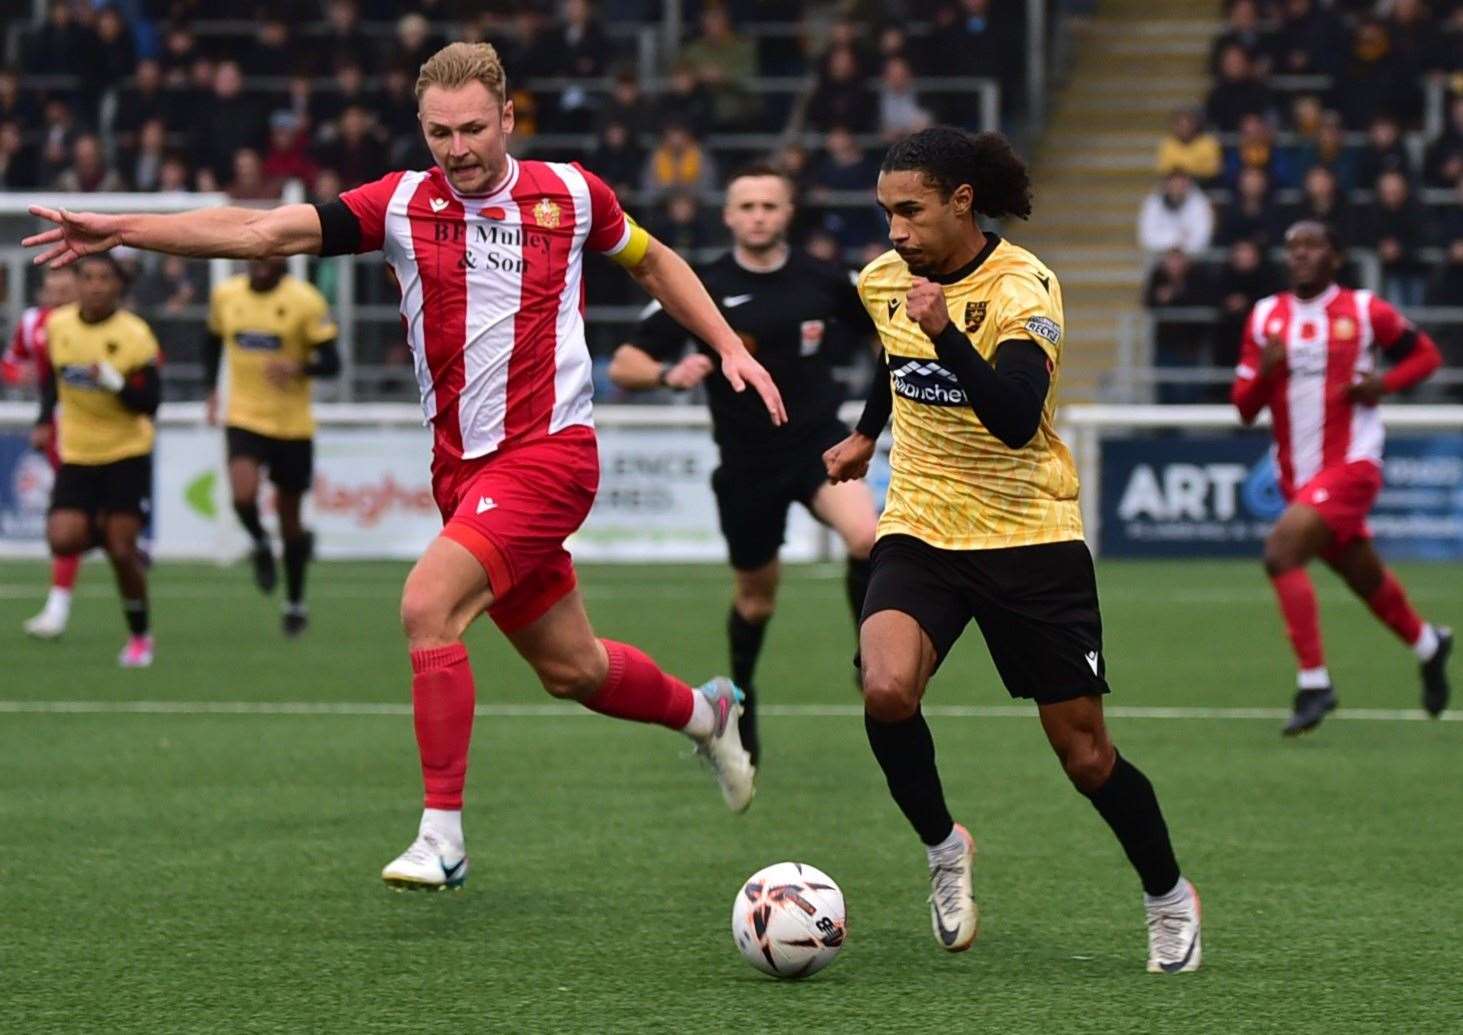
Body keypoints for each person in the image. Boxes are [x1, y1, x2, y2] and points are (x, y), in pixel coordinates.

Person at [23, 41, 786, 889]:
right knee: (572, 668)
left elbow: (652, 260)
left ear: (507, 117)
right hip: (462, 471)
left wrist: (725, 347)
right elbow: (257, 229)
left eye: (471, 129)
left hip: (549, 456)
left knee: (427, 605)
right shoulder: (398, 204)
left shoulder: (571, 192)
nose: (456, 149)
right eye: (437, 133)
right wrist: (120, 230)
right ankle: (705, 711)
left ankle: (442, 835)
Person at [822, 126, 1200, 973]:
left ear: (961, 201)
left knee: (1084, 755)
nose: (894, 232)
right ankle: (943, 846)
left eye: (910, 212)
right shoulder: (886, 280)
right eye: (885, 213)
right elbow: (896, 359)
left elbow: (1014, 417)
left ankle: (1167, 893)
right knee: (884, 687)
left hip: (1029, 536)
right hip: (920, 524)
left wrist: (949, 330)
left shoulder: (1024, 285)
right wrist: (862, 435)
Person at [609, 164, 879, 766]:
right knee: (757, 599)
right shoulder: (699, 285)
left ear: (787, 214)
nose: (758, 215)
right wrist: (667, 374)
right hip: (748, 462)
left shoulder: (824, 281)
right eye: (747, 205)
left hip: (818, 443)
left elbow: (883, 336)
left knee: (869, 538)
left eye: (769, 205)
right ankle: (743, 696)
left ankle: (872, 659)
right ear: (728, 216)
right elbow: (625, 361)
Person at [1230, 221, 1452, 735]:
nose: (1301, 256)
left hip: (1353, 463)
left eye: (1313, 247)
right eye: (1293, 248)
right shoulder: (1266, 317)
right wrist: (1265, 371)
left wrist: (1383, 384)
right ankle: (1429, 644)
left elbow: (1427, 356)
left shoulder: (1364, 309)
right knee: (1362, 574)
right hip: (1297, 477)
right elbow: (1243, 409)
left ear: (1335, 256)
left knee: (1280, 553)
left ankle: (1314, 684)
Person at [33, 255, 160, 667]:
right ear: (77, 283)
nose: (95, 286)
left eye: (104, 278)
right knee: (62, 538)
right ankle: (112, 536)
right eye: (87, 278)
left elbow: (150, 402)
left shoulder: (135, 335)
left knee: (122, 553)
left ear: (117, 286)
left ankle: (140, 636)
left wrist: (116, 382)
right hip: (78, 453)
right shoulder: (58, 326)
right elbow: (50, 381)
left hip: (126, 452)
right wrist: (42, 421)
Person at [204, 257, 340, 636]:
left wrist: (298, 368)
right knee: (242, 496)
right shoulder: (226, 296)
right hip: (244, 417)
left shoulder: (306, 301)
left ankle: (295, 602)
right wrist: (211, 391)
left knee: (290, 520)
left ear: (283, 259)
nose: (261, 262)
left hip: (292, 425)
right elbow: (212, 341)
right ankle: (262, 545)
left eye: (270, 255)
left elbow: (333, 362)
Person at [2, 265, 81, 637]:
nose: (58, 295)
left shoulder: (97, 323)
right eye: (52, 288)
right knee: (68, 514)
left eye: (65, 289)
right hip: (59, 427)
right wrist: (19, 376)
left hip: (104, 429)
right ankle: (57, 607)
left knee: (78, 515)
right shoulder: (34, 322)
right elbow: (11, 362)